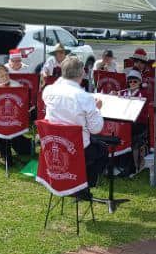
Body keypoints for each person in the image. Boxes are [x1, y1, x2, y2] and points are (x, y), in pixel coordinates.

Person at [42, 56, 108, 198]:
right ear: (82, 73)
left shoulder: (48, 91)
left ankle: (75, 185)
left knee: (93, 145)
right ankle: (83, 187)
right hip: (76, 150)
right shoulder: (84, 97)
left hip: (54, 144)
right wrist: (97, 109)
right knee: (102, 149)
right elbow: (96, 129)